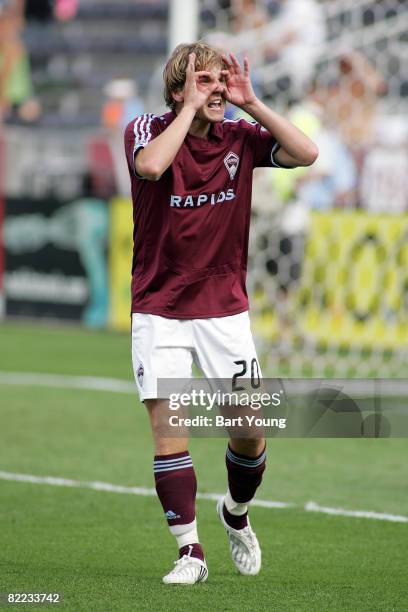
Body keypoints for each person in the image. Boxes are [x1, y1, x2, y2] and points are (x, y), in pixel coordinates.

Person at [124, 41, 317, 585]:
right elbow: (154, 167)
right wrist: (190, 106)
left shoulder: (240, 137)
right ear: (178, 90)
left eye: (221, 80)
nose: (218, 90)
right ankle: (190, 552)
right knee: (169, 429)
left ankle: (234, 512)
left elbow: (306, 153)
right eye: (205, 80)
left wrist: (251, 102)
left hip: (224, 311)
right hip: (160, 307)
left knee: (251, 432)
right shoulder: (145, 130)